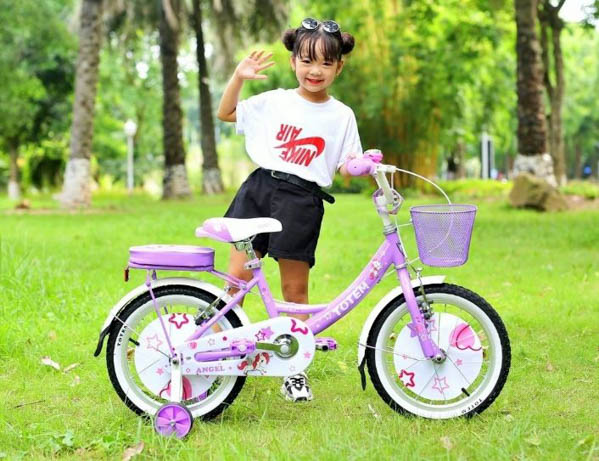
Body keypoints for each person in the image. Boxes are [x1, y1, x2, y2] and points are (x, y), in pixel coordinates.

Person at [216, 18, 362, 402]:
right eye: (307, 60)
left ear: (339, 67)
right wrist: (238, 77)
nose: (316, 70)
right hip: (259, 192)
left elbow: (347, 165)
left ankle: (294, 370)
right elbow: (226, 113)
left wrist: (364, 164)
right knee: (236, 281)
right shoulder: (275, 101)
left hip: (302, 203)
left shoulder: (342, 115)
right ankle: (212, 358)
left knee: (294, 293)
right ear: (293, 61)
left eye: (326, 63)